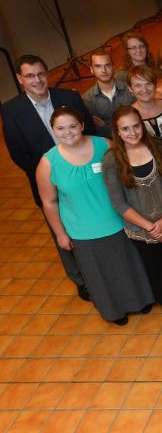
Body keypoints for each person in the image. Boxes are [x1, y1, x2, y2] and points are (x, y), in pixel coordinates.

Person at [35, 106, 153, 324]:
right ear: (53, 130)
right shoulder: (47, 163)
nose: (67, 132)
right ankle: (114, 311)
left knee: (129, 266)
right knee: (101, 276)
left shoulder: (104, 146)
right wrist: (60, 234)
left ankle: (141, 300)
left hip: (118, 221)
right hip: (82, 231)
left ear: (81, 126)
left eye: (72, 126)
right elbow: (49, 203)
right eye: (60, 128)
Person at [3, 55, 94, 301]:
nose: (37, 80)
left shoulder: (70, 98)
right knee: (62, 232)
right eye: (30, 76)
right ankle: (81, 279)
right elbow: (18, 154)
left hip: (85, 176)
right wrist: (52, 177)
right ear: (20, 80)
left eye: (41, 73)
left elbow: (90, 134)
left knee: (91, 222)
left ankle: (100, 271)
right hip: (48, 183)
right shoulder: (11, 111)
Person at [103, 106, 162, 326]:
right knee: (155, 268)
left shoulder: (159, 149)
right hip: (141, 229)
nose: (132, 132)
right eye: (126, 129)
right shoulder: (111, 161)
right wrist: (151, 228)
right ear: (117, 131)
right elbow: (118, 203)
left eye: (136, 126)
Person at [82, 48, 135, 138]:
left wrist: (105, 127)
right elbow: (95, 132)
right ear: (91, 69)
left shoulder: (130, 89)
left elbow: (140, 119)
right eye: (98, 66)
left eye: (107, 65)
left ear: (113, 66)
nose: (104, 70)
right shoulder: (87, 99)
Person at [127, 66, 162, 147]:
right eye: (138, 85)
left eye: (148, 84)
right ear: (130, 88)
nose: (144, 89)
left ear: (155, 84)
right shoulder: (128, 115)